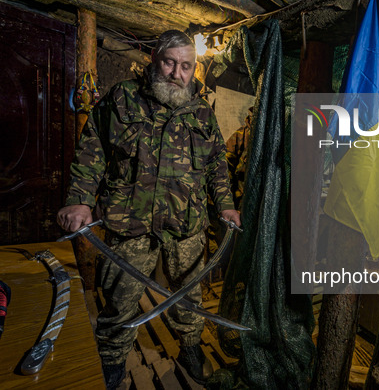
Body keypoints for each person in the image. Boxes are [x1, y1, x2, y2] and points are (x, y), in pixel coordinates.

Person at [57, 30, 241, 389]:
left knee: (188, 295)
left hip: (186, 222)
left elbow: (217, 162)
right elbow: (92, 150)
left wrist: (227, 205)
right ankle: (111, 362)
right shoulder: (122, 99)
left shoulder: (202, 110)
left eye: (186, 66)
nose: (178, 73)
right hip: (130, 221)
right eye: (170, 63)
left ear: (194, 69)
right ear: (155, 60)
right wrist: (79, 198)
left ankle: (189, 348)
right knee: (119, 300)